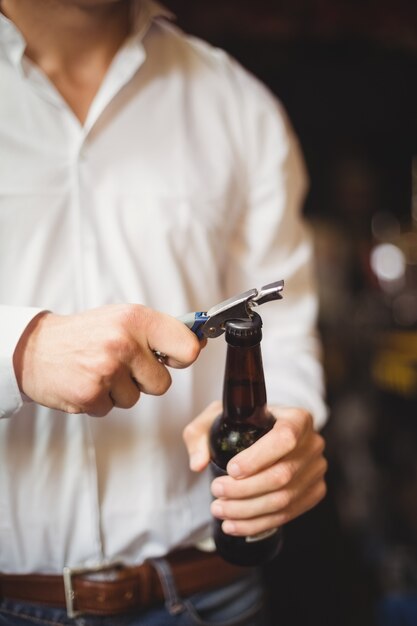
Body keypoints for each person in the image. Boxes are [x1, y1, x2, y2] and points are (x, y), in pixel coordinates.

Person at [0, 0, 328, 624]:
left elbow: (281, 339)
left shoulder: (238, 104)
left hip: (214, 595)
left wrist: (283, 435)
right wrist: (20, 349)